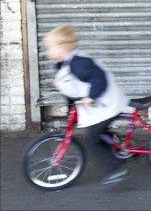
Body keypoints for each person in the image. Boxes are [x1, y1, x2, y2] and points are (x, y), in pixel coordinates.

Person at [43, 25, 130, 186]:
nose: (47, 52)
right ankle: (118, 148)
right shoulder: (63, 63)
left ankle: (116, 170)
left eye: (49, 48)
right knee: (99, 132)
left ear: (62, 48)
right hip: (97, 106)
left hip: (105, 103)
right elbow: (71, 90)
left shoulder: (78, 63)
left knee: (91, 140)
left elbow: (99, 78)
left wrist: (91, 96)